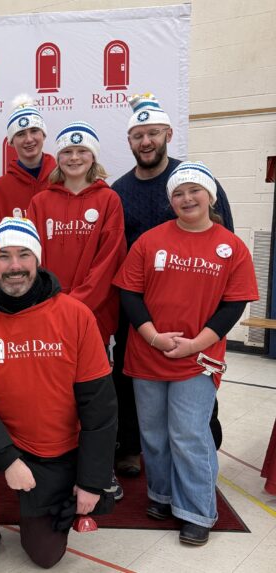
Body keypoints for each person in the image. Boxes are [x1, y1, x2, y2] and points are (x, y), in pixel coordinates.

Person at [0, 217, 118, 572]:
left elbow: (100, 406)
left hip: (53, 446)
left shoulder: (75, 315)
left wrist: (92, 481)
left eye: (23, 255)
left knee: (46, 557)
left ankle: (43, 499)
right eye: (3, 256)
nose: (14, 266)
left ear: (38, 260)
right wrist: (8, 459)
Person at [113, 161, 258, 546]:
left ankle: (197, 510)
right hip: (148, 354)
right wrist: (153, 336)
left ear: (210, 196)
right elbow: (129, 292)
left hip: (197, 359)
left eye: (194, 191)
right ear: (170, 201)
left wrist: (195, 344)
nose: (186, 198)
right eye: (178, 193)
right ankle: (162, 495)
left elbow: (234, 304)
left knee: (189, 434)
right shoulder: (150, 241)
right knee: (154, 435)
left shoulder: (232, 247)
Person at [111, 93, 235, 476]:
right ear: (129, 142)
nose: (145, 142)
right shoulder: (118, 190)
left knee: (195, 381)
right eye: (137, 136)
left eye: (152, 134)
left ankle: (204, 449)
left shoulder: (195, 182)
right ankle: (131, 447)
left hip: (192, 303)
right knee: (130, 381)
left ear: (167, 133)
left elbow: (225, 244)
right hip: (137, 304)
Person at [27, 121, 126, 346]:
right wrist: (48, 302)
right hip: (46, 309)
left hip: (93, 312)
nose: (74, 158)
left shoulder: (108, 199)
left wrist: (76, 305)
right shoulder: (40, 202)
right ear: (58, 158)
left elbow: (109, 261)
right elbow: (31, 256)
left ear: (93, 157)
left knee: (89, 378)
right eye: (67, 152)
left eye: (82, 151)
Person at [0, 95, 56, 218]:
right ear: (11, 142)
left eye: (34, 131)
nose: (29, 139)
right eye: (20, 134)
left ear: (44, 135)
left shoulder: (63, 179)